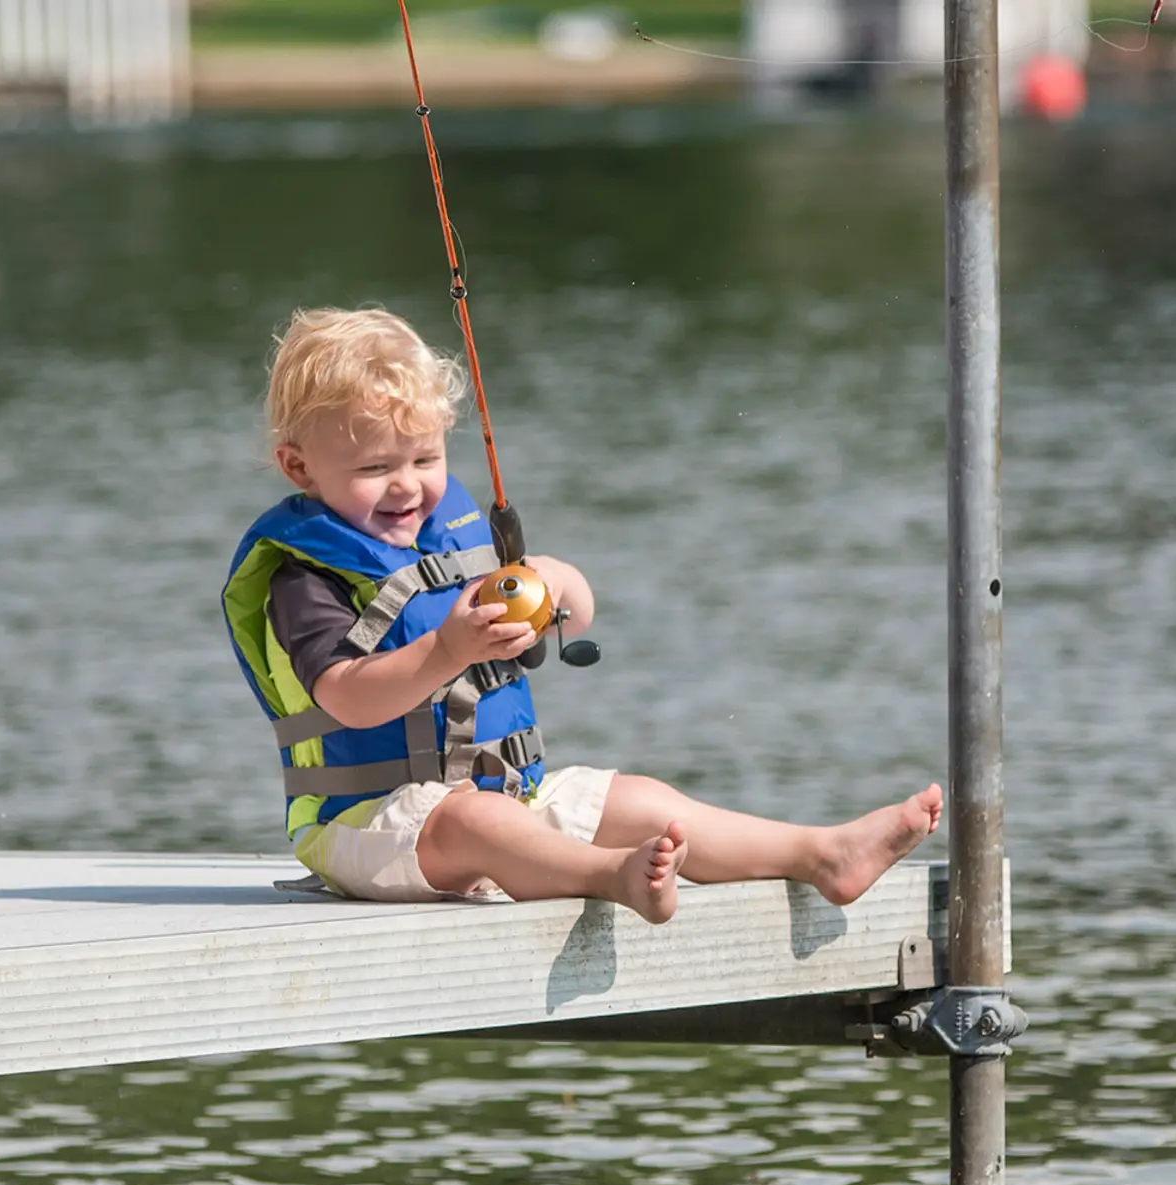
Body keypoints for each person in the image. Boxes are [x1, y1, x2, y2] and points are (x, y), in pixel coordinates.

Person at [221, 306, 942, 923]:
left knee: (639, 801)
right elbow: (347, 699)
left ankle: (821, 855)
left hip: (503, 792)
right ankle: (610, 875)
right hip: (365, 825)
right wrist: (447, 650)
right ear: (299, 467)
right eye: (376, 469)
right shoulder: (303, 575)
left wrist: (550, 583)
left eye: (425, 459)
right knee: (477, 820)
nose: (407, 486)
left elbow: (581, 608)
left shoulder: (450, 534)